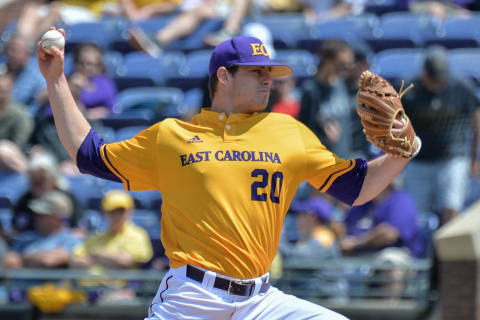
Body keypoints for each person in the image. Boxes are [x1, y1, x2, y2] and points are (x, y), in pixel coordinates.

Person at [37, 28, 421, 319]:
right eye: (255, 73)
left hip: (260, 300)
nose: (268, 79)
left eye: (269, 72)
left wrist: (405, 151)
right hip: (192, 296)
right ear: (223, 76)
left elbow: (358, 187)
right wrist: (56, 79)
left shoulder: (289, 132)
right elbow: (89, 154)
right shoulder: (173, 136)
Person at [402, 46, 480, 225]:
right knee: (416, 213)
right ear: (424, 74)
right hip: (418, 160)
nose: (439, 83)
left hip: (453, 157)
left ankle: (447, 251)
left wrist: (474, 158)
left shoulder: (461, 87)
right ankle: (421, 251)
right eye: (434, 79)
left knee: (451, 207)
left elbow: (476, 122)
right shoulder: (408, 90)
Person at [298, 40, 356, 159]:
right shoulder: (311, 91)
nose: (346, 69)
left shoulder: (341, 84)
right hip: (320, 161)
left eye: (349, 64)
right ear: (327, 62)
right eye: (342, 64)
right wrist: (324, 137)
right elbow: (304, 132)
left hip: (343, 158)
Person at [71, 190, 153, 270]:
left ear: (130, 211)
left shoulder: (138, 235)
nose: (116, 215)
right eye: (112, 211)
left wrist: (97, 255)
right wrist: (113, 261)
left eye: (121, 211)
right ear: (103, 213)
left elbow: (129, 261)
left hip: (121, 284)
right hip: (90, 283)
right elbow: (75, 261)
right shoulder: (95, 237)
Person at [3, 190, 81, 269]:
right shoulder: (25, 238)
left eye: (41, 215)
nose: (36, 217)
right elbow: (8, 262)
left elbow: (48, 261)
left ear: (57, 219)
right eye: (36, 214)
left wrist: (21, 258)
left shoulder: (71, 241)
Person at [13, 151, 83, 236]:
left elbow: (78, 231)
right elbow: (16, 231)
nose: (36, 188)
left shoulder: (67, 198)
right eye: (33, 182)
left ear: (53, 179)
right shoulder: (25, 200)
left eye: (41, 182)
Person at [0, 72, 34, 173]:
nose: (1, 95)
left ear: (10, 91)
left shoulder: (20, 115)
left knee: (4, 150)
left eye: (4, 91)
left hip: (11, 157)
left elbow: (18, 145)